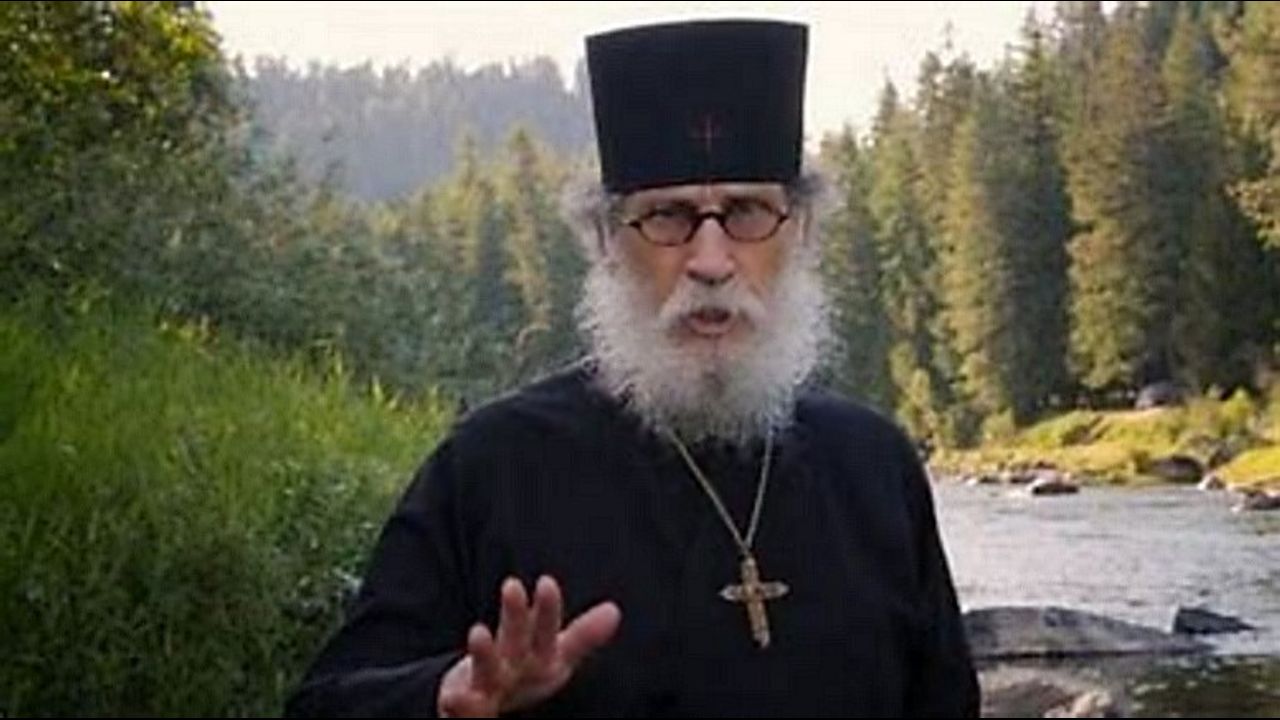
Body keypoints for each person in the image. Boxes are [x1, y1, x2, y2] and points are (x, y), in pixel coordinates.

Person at [286, 18, 978, 718]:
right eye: (668, 217)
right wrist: (442, 698)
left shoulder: (874, 466)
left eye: (747, 212)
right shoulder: (492, 467)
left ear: (800, 231)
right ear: (606, 240)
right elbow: (324, 705)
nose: (711, 261)